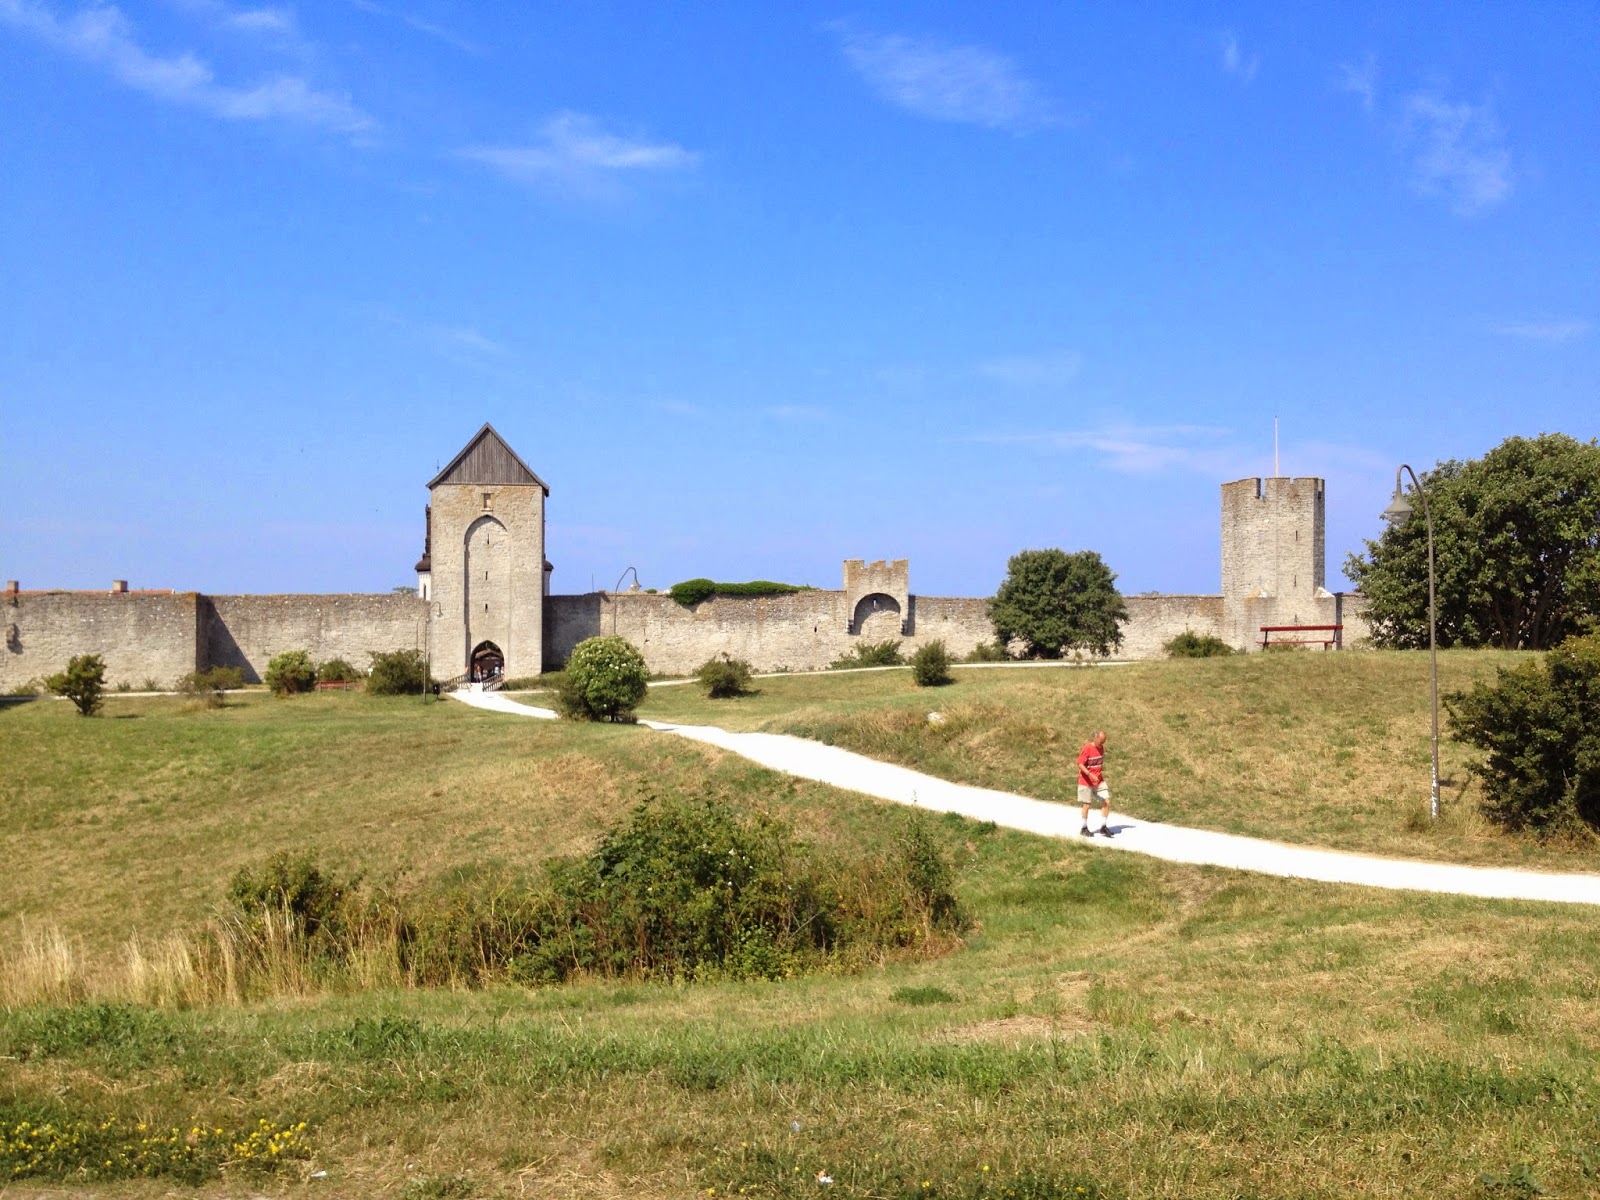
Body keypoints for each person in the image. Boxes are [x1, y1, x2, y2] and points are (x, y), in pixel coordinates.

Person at [1077, 730, 1114, 837]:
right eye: (1101, 741)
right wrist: (1089, 774)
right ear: (1095, 738)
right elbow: (1080, 764)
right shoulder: (1087, 748)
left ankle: (1103, 827)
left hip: (1099, 781)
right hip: (1086, 781)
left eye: (1104, 741)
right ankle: (1084, 828)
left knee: (1107, 801)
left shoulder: (1101, 748)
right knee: (1087, 805)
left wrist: (1097, 775)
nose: (1102, 743)